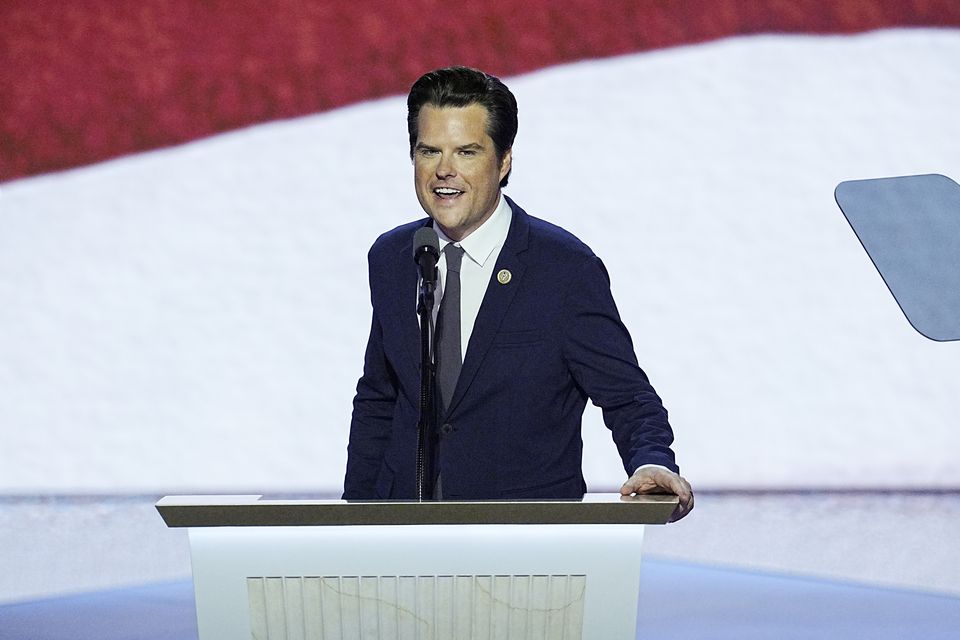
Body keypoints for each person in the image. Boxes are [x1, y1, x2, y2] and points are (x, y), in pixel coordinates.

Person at [343, 66, 693, 521]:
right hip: (403, 534)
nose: (444, 171)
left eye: (467, 152)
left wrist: (651, 462)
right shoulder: (393, 258)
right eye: (430, 151)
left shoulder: (562, 269)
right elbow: (378, 399)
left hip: (525, 539)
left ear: (504, 160)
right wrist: (351, 519)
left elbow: (628, 397)